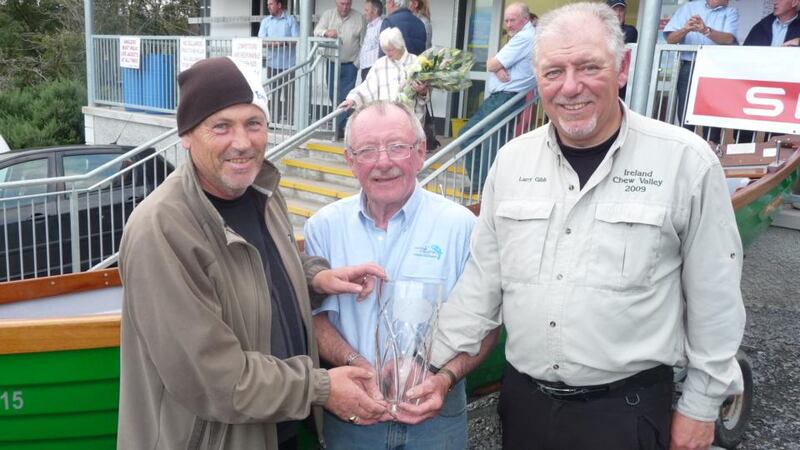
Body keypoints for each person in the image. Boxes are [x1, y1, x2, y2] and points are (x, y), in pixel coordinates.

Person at [406, 3, 746, 449]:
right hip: (525, 409)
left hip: (627, 414)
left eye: (589, 67)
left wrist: (701, 407)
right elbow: (482, 284)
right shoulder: (510, 163)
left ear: (622, 68)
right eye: (553, 72)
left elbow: (715, 300)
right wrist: (428, 367)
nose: (570, 87)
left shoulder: (686, 162)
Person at [117, 56, 390, 449]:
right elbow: (211, 376)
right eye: (221, 126)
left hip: (277, 428)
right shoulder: (161, 228)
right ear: (187, 136)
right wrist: (322, 387)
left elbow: (254, 272)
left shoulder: (260, 190)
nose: (242, 143)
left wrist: (313, 277)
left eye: (254, 123)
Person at [304, 99, 499, 450]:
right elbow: (317, 319)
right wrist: (358, 364)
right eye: (367, 150)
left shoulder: (461, 227)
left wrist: (444, 378)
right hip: (356, 413)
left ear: (421, 152)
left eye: (397, 147)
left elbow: (485, 324)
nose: (383, 162)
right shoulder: (324, 227)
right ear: (350, 161)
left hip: (437, 416)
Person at [460, 2, 535, 192]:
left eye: (513, 20)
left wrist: (497, 66)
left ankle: (487, 189)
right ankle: (480, 184)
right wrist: (498, 66)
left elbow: (491, 64)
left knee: (491, 143)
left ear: (525, 20)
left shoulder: (525, 37)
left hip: (506, 97)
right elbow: (491, 64)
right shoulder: (519, 36)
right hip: (499, 97)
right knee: (468, 135)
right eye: (506, 20)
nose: (508, 25)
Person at [664, 0, 739, 147]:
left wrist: (706, 30)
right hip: (689, 66)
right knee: (685, 113)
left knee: (712, 113)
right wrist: (685, 29)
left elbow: (729, 39)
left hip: (715, 69)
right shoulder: (689, 8)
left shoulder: (730, 12)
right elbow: (671, 39)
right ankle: (686, 148)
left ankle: (711, 148)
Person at [738, 0, 799, 143]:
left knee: (780, 135)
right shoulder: (762, 25)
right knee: (745, 129)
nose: (775, 2)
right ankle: (742, 158)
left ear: (794, 2)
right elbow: (744, 54)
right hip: (757, 85)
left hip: (789, 87)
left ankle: (780, 162)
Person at [341, 28, 429, 124]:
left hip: (410, 120)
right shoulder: (380, 64)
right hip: (384, 120)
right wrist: (352, 99)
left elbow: (426, 93)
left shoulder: (416, 62)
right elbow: (367, 86)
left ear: (400, 46)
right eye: (385, 50)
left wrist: (422, 91)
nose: (387, 53)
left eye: (390, 50)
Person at [314, 0, 366, 140]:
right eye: (342, 4)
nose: (345, 7)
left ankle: (338, 128)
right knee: (332, 94)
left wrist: (357, 63)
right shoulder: (328, 15)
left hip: (350, 65)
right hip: (332, 62)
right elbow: (316, 31)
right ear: (337, 2)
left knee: (345, 97)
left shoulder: (359, 18)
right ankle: (342, 126)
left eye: (348, 4)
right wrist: (326, 32)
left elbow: (364, 43)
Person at [258, 0, 299, 122]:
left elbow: (296, 39)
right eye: (268, 5)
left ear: (279, 5)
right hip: (272, 64)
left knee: (289, 95)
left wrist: (280, 43)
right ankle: (274, 121)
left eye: (271, 4)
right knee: (274, 94)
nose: (268, 7)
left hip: (289, 65)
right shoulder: (266, 21)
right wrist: (277, 43)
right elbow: (261, 41)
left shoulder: (290, 20)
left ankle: (291, 122)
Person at [608, 0, 637, 99]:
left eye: (621, 10)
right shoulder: (598, 30)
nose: (618, 13)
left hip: (620, 84)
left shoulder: (630, 31)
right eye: (615, 10)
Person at [359, 0, 384, 82]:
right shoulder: (370, 26)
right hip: (365, 68)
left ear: (375, 11)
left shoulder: (381, 25)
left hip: (373, 69)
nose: (364, 13)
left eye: (367, 10)